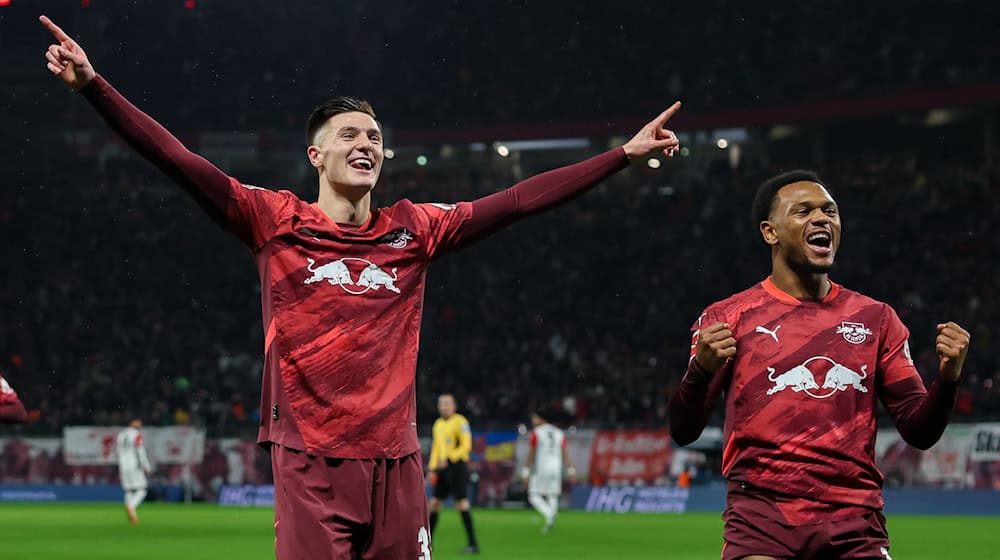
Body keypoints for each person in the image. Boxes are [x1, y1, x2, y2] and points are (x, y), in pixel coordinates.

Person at [40, 15, 681, 559]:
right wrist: (95, 87)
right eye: (348, 134)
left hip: (397, 461)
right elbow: (178, 161)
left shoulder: (416, 229)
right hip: (310, 460)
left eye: (374, 136)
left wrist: (620, 156)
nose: (365, 143)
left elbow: (514, 201)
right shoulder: (274, 219)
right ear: (315, 156)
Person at [668, 170, 971, 560]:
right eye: (803, 211)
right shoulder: (728, 318)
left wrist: (947, 381)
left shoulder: (875, 318)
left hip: (855, 524)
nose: (822, 219)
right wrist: (700, 372)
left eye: (830, 210)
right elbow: (683, 429)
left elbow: (919, 429)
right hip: (763, 522)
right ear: (770, 232)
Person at [428, 394, 479, 553]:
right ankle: (428, 544)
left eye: (447, 403)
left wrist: (450, 458)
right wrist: (432, 467)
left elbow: (466, 446)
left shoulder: (461, 422)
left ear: (454, 406)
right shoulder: (437, 424)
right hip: (442, 469)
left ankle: (473, 544)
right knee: (434, 504)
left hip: (457, 467)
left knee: (461, 503)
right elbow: (436, 447)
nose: (444, 406)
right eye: (441, 403)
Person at [520, 410, 575, 533]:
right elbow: (564, 452)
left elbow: (531, 453)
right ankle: (551, 519)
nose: (533, 421)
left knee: (533, 495)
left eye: (535, 418)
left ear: (541, 419)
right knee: (552, 495)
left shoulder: (537, 433)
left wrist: (525, 472)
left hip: (541, 468)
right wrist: (571, 469)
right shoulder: (559, 433)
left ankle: (549, 514)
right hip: (556, 468)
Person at [117, 418, 153, 524]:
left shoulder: (121, 435)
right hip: (134, 465)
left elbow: (118, 451)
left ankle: (133, 516)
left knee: (129, 490)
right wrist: (146, 466)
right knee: (142, 490)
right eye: (138, 421)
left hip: (123, 465)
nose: (140, 424)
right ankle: (131, 506)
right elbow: (140, 451)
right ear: (132, 422)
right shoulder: (136, 435)